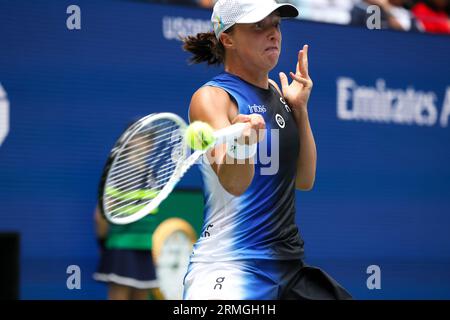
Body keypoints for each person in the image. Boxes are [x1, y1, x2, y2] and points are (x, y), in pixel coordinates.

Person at [181, 0, 352, 300]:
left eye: (276, 24)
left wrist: (299, 110)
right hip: (231, 270)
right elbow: (234, 184)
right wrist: (243, 146)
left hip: (289, 268)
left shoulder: (277, 92)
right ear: (228, 38)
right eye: (258, 26)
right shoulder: (212, 98)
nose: (273, 33)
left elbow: (304, 179)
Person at [93, 129, 164, 300]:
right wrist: (104, 242)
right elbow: (100, 214)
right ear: (129, 141)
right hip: (121, 247)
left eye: (149, 139)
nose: (146, 142)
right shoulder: (118, 172)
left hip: (145, 247)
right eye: (140, 137)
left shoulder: (152, 175)